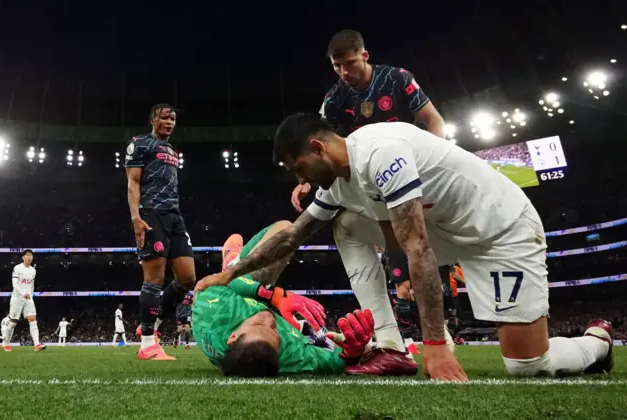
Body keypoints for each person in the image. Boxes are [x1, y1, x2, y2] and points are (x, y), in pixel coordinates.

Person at [200, 114, 615, 381]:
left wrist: (435, 347)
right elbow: (291, 237)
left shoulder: (382, 153)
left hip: (499, 231)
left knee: (528, 366)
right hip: (447, 230)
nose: (299, 179)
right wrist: (229, 273)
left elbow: (416, 248)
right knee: (343, 223)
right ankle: (391, 346)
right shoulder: (340, 182)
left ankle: (598, 342)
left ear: (317, 148)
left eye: (298, 168)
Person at [289, 29, 447, 362]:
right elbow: (319, 147)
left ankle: (437, 334)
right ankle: (392, 338)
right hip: (373, 187)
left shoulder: (397, 79)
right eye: (336, 66)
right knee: (370, 239)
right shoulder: (334, 99)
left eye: (349, 63)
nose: (344, 72)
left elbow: (433, 120)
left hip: (411, 176)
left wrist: (437, 159)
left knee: (419, 256)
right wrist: (307, 181)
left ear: (364, 55)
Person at [192, 224, 414, 377]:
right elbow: (334, 361)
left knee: (285, 229)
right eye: (275, 331)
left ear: (233, 336)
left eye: (259, 325)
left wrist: (273, 295)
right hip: (250, 306)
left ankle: (232, 263)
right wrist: (353, 352)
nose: (269, 319)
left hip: (239, 289)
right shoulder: (290, 357)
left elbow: (211, 284)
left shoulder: (212, 314)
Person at [125, 104, 197, 360]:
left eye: (173, 118)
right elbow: (133, 181)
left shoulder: (171, 150)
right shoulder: (140, 143)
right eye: (164, 117)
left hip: (174, 215)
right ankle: (147, 345)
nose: (169, 122)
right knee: (154, 279)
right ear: (153, 119)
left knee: (188, 279)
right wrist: (136, 217)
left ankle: (151, 325)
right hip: (151, 213)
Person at [2, 250, 46, 352]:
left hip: (28, 297)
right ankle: (6, 342)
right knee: (13, 322)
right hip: (17, 297)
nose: (29, 257)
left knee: (32, 318)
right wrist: (23, 293)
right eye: (27, 255)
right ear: (23, 257)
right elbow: (15, 284)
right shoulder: (17, 268)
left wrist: (31, 295)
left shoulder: (33, 270)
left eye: (31, 256)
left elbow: (31, 285)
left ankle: (37, 344)